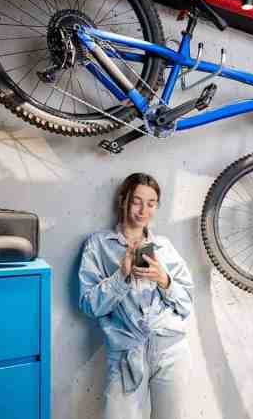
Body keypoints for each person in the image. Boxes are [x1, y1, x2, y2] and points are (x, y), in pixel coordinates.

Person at [78, 172, 194, 419]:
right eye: (137, 201)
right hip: (125, 352)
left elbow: (186, 304)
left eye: (151, 204)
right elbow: (89, 305)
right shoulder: (98, 245)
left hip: (169, 348)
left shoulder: (164, 247)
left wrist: (164, 279)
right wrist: (122, 275)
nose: (143, 210)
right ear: (123, 200)